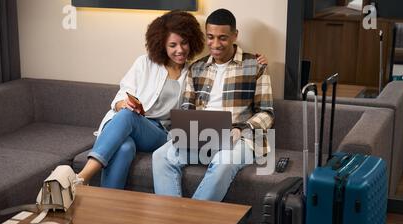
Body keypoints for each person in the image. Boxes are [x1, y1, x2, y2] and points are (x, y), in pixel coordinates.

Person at [76, 10, 268, 189]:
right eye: (172, 45)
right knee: (125, 147)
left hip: (161, 134)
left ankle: (80, 178)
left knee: (127, 118)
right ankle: (107, 206)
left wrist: (256, 62)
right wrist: (123, 104)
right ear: (161, 44)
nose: (180, 50)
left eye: (184, 43)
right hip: (130, 124)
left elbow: (192, 111)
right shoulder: (145, 63)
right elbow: (120, 96)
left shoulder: (194, 71)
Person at [152, 8, 275, 201]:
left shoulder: (255, 65)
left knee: (223, 161)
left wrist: (239, 129)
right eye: (210, 37)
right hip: (202, 134)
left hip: (242, 137)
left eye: (223, 38)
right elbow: (186, 108)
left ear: (235, 35)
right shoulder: (197, 68)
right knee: (160, 157)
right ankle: (172, 221)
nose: (215, 44)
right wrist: (188, 129)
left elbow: (267, 113)